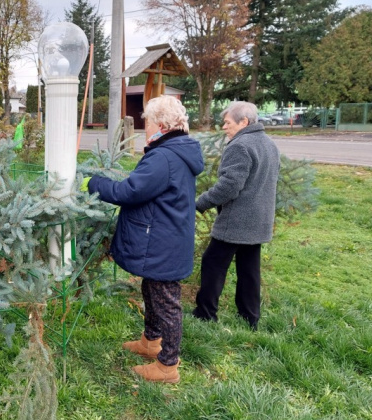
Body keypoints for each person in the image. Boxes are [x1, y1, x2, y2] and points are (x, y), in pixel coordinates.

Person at [82, 95, 204, 383]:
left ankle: (167, 365)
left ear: (161, 124)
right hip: (165, 236)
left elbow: (130, 191)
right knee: (152, 290)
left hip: (163, 241)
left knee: (166, 300)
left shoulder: (164, 156)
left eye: (147, 122)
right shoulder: (175, 150)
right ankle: (151, 341)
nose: (143, 127)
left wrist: (94, 183)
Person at [192, 101, 281, 331]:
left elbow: (229, 187)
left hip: (237, 221)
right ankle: (250, 317)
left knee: (212, 263)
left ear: (244, 122)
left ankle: (205, 313)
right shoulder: (269, 144)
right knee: (249, 269)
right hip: (259, 220)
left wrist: (199, 203)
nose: (224, 127)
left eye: (228, 122)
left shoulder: (240, 146)